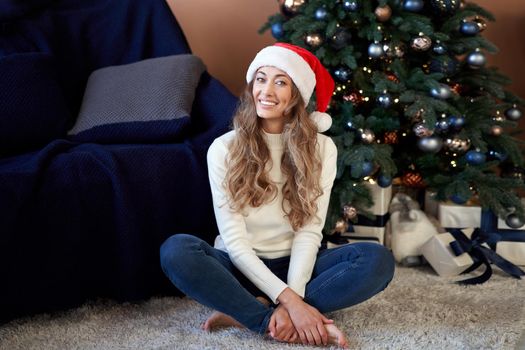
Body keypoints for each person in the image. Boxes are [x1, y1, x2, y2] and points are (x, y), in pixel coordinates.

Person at [160, 43, 395, 348]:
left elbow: (309, 231)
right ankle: (266, 319)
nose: (266, 90)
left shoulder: (322, 149)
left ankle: (249, 311)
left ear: (297, 94)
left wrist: (292, 297)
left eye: (280, 82)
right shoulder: (224, 148)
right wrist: (292, 305)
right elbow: (234, 240)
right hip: (238, 266)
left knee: (377, 260)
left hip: (298, 266)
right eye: (260, 79)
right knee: (176, 251)